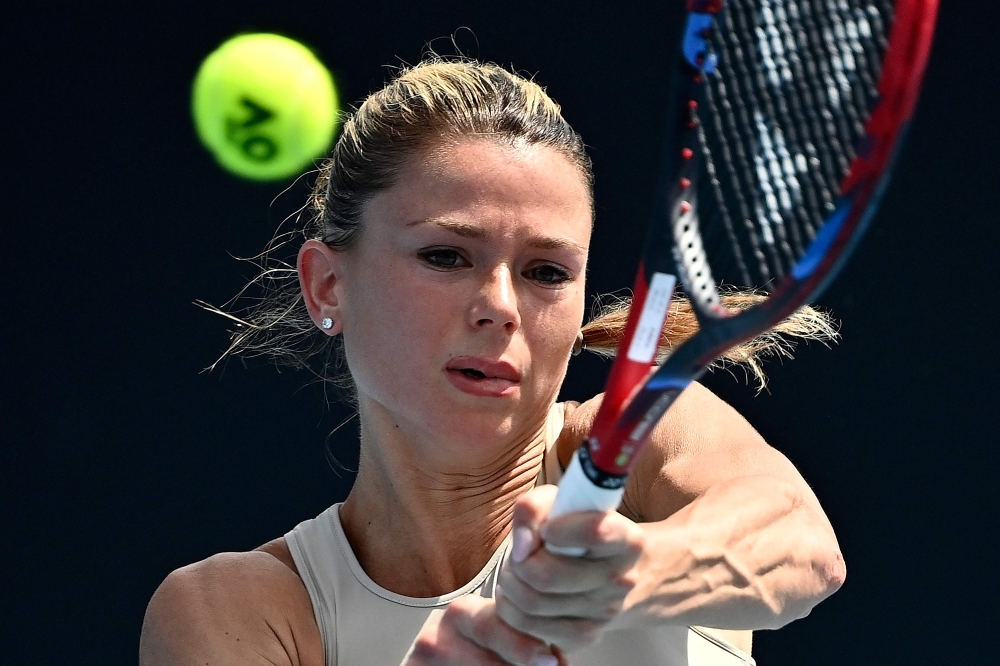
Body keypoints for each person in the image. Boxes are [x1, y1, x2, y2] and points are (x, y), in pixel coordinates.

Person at [139, 59, 845, 666]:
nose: (501, 306)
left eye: (546, 271)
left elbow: (800, 546)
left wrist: (626, 575)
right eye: (446, 256)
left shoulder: (644, 440)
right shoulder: (237, 611)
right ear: (329, 283)